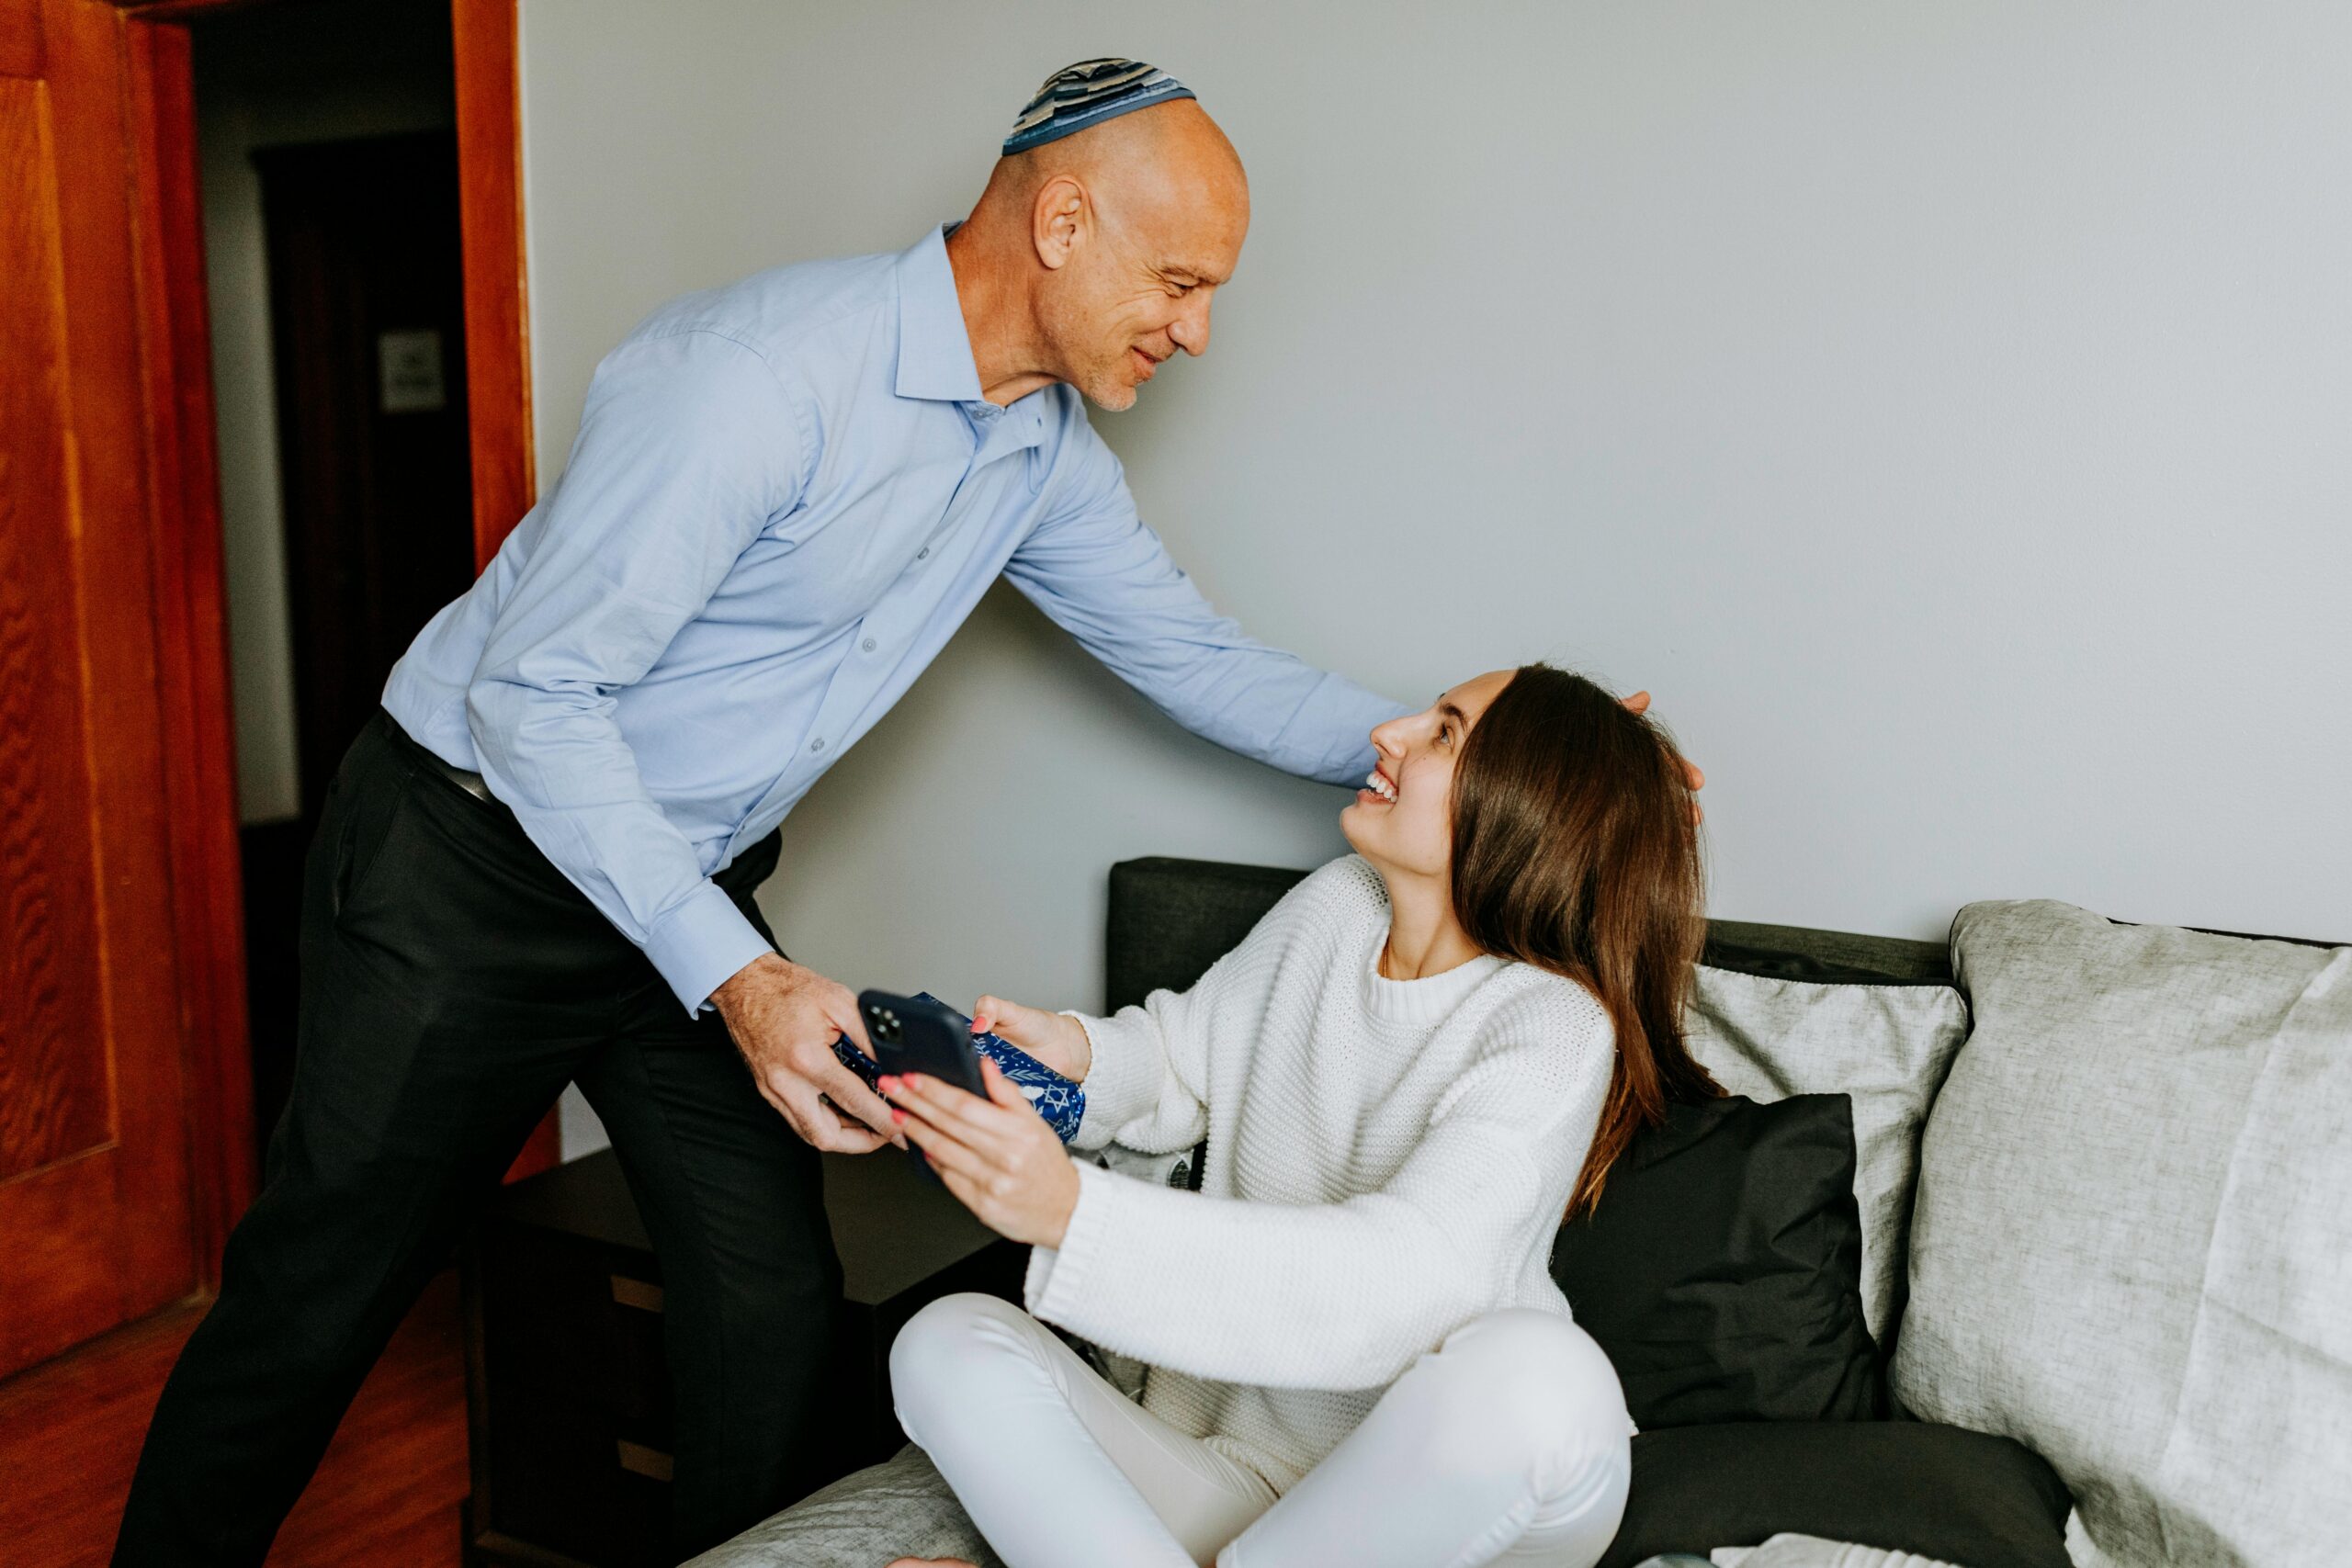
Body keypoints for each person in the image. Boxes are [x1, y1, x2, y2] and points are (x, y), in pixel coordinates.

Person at [114, 56, 1696, 1564]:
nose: (1199, 332)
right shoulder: (751, 382)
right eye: (1181, 282)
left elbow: (1198, 659)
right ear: (1062, 227)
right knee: (317, 1298)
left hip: (673, 880)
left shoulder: (1037, 455)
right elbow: (534, 701)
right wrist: (738, 977)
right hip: (471, 857)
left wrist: (1509, 764)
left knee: (770, 1295)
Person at [876, 665, 1721, 1568]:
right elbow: (1180, 1063)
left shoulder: (1550, 1022)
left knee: (1546, 1383)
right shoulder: (1336, 906)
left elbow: (1408, 1281)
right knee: (945, 1341)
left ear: (1529, 800)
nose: (1387, 733)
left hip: (1437, 1500)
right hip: (1229, 1472)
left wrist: (1068, 1215)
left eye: (1442, 732)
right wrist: (1076, 1053)